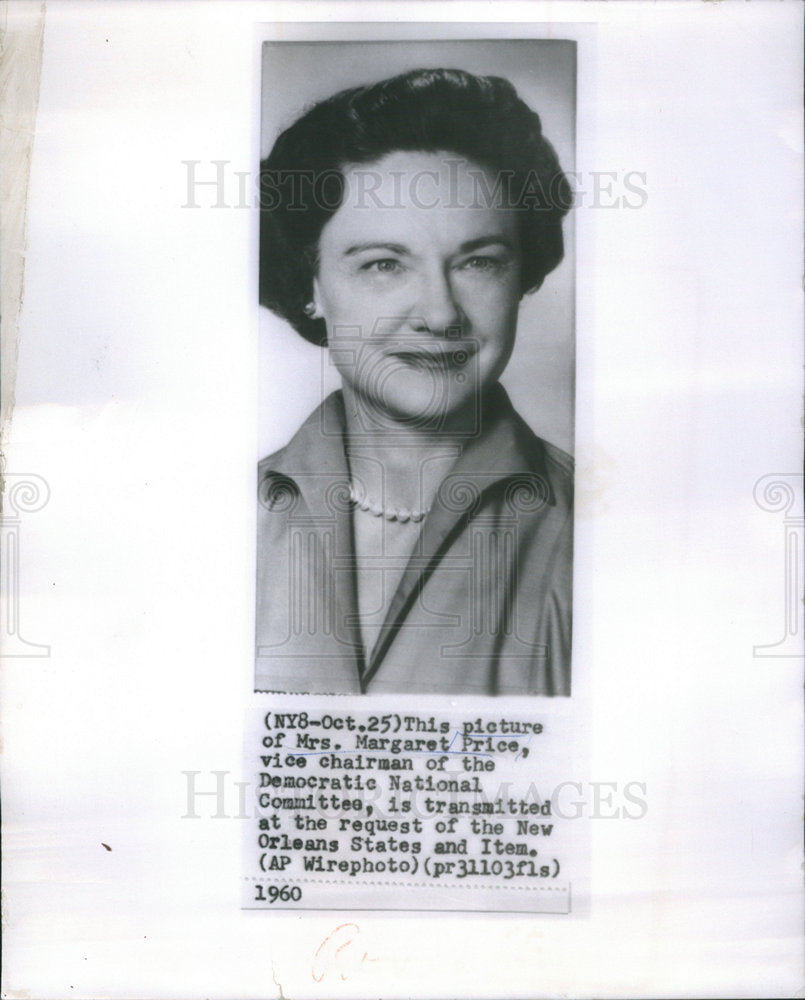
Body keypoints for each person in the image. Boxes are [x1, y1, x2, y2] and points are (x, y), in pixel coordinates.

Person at [256, 67, 573, 695]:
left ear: (521, 278)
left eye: (478, 262)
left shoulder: (600, 531)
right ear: (311, 285)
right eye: (383, 265)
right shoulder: (205, 519)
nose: (440, 314)